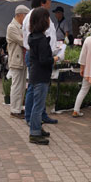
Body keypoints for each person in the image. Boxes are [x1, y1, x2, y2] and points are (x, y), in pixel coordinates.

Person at [23, 0, 58, 125]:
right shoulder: (34, 16)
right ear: (43, 1)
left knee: (40, 88)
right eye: (49, 0)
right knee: (34, 87)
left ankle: (40, 115)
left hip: (40, 53)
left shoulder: (38, 14)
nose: (50, 2)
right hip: (38, 55)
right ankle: (31, 117)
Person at [28, 8, 59, 145]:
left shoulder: (33, 36)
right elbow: (44, 60)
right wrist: (56, 58)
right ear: (43, 21)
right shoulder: (41, 39)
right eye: (47, 18)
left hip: (35, 74)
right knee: (38, 106)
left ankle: (37, 128)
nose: (48, 21)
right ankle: (34, 133)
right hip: (41, 75)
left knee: (38, 104)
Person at [7, 4, 30, 118]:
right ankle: (14, 110)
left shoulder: (20, 26)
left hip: (22, 60)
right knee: (16, 85)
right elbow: (22, 41)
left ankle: (19, 108)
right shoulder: (12, 27)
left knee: (21, 86)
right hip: (16, 61)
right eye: (26, 16)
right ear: (20, 15)